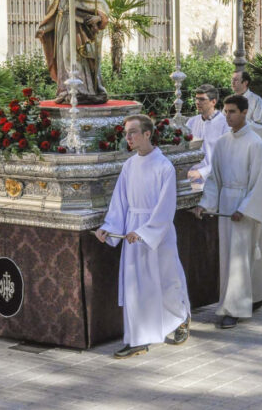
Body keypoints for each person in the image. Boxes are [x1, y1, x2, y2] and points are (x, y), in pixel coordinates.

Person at [95, 114, 191, 358]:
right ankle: (138, 338)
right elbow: (120, 202)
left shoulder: (163, 166)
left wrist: (145, 231)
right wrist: (110, 226)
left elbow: (166, 207)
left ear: (148, 134)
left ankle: (180, 318)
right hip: (131, 232)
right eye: (126, 133)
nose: (128, 137)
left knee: (166, 280)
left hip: (156, 231)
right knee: (135, 286)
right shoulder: (129, 165)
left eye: (133, 132)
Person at [193, 95, 262, 329]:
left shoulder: (255, 143)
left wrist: (244, 209)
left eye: (233, 112)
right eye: (226, 112)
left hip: (244, 207)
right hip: (226, 206)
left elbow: (260, 182)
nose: (228, 116)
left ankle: (234, 309)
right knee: (231, 256)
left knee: (240, 257)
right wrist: (205, 204)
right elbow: (215, 178)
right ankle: (255, 294)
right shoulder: (223, 142)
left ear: (245, 113)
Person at [36, 0, 109, 105]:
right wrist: (45, 28)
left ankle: (82, 90)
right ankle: (66, 90)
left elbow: (100, 5)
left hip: (77, 29)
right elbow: (55, 12)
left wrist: (98, 17)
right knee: (62, 57)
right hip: (62, 25)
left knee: (73, 56)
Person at [186, 84, 229, 184]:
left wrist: (201, 172)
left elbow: (226, 158)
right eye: (196, 99)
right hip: (191, 179)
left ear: (213, 102)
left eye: (202, 99)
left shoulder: (225, 124)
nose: (197, 102)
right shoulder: (191, 122)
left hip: (215, 181)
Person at [231, 70, 262, 159]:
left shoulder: (256, 100)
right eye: (232, 79)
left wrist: (241, 122)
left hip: (250, 149)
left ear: (245, 82)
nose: (232, 82)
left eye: (236, 80)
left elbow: (261, 126)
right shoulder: (230, 100)